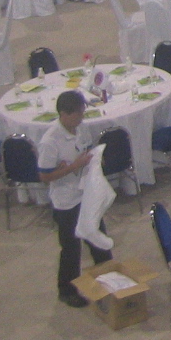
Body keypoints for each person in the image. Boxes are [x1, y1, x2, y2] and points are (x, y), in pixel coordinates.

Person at [39, 90, 112, 307]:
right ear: (64, 114)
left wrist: (95, 160)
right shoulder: (50, 141)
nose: (81, 117)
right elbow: (44, 176)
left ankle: (108, 278)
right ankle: (67, 290)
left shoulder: (81, 129)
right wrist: (73, 167)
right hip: (66, 202)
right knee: (71, 248)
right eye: (78, 114)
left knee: (99, 238)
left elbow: (87, 150)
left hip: (86, 194)